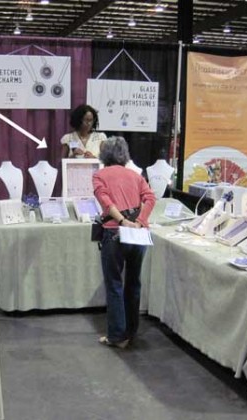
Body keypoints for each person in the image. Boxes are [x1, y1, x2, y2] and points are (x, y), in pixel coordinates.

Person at [92, 136, 156, 349]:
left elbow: (105, 201)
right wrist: (140, 221)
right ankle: (131, 331)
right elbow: (150, 198)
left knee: (114, 284)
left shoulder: (99, 175)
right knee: (134, 282)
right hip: (139, 235)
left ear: (104, 155)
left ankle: (117, 336)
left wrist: (122, 221)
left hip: (114, 233)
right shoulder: (136, 176)